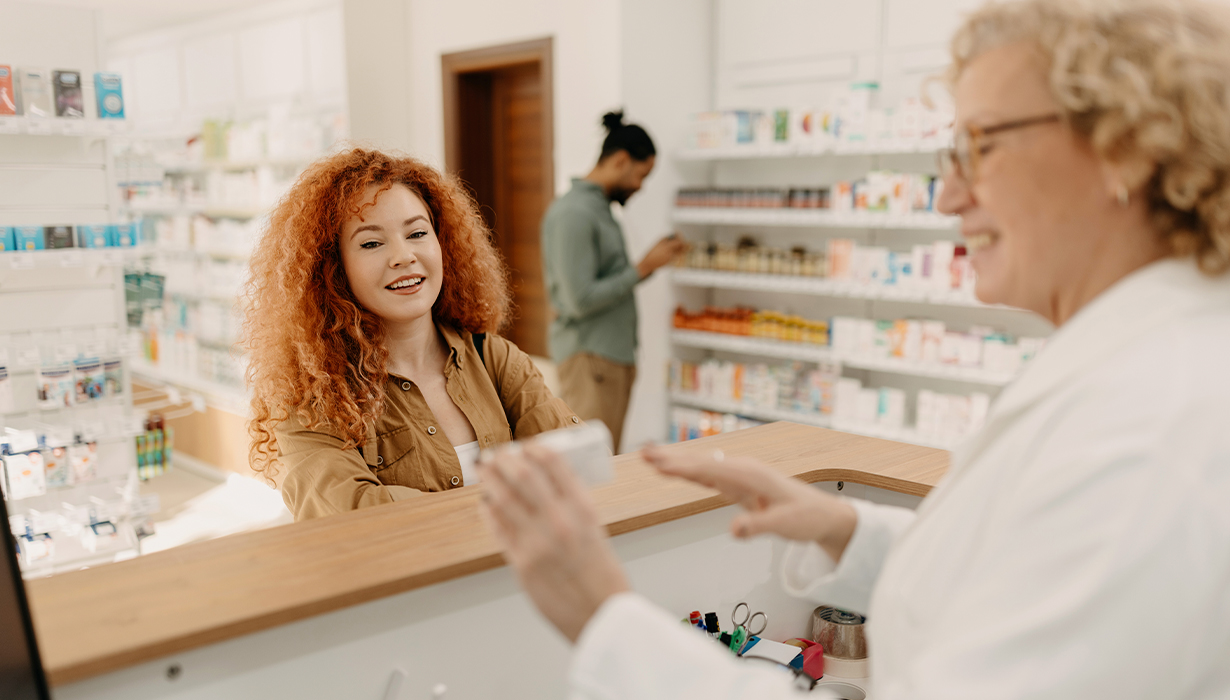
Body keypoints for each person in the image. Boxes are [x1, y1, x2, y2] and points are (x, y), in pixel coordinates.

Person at [477, 0, 1230, 697]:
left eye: (980, 145)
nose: (948, 195)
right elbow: (1020, 574)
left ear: (1123, 150)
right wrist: (847, 532)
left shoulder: (1148, 430)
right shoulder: (1128, 370)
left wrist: (608, 620)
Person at [243, 148, 582, 521]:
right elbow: (351, 517)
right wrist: (511, 496)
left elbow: (574, 464)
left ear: (443, 244)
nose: (403, 256)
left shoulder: (495, 358)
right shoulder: (312, 397)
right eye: (372, 243)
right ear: (333, 268)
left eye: (417, 233)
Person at [540, 111, 687, 452]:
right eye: (641, 175)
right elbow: (580, 299)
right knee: (590, 466)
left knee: (606, 461)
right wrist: (642, 268)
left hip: (609, 360)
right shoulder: (574, 213)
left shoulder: (599, 209)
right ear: (621, 160)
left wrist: (647, 267)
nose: (640, 186)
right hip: (591, 359)